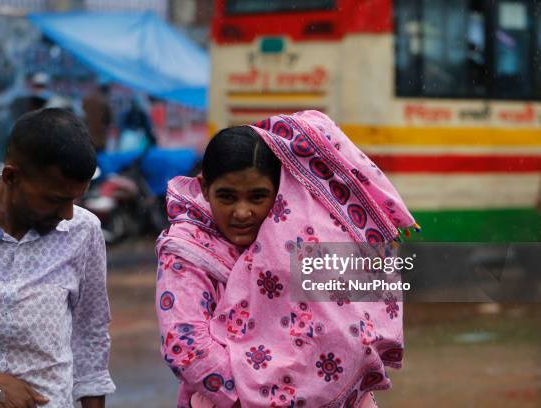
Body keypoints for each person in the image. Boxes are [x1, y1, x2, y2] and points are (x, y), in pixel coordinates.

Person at [156, 111, 417, 407]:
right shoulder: (188, 250)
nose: (242, 213)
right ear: (205, 189)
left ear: (281, 192)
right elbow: (186, 347)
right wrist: (263, 399)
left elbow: (357, 324)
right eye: (227, 197)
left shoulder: (310, 237)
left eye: (257, 197)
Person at [0, 108, 115, 407]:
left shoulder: (83, 231)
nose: (67, 214)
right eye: (55, 199)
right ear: (11, 175)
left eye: (74, 199)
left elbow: (90, 339)